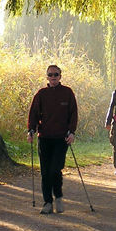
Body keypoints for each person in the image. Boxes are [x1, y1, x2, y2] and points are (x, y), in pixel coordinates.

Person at [27, 65, 78, 214]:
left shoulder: (67, 93)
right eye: (50, 75)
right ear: (47, 77)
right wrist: (31, 129)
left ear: (60, 76)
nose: (53, 77)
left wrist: (72, 132)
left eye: (56, 74)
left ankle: (59, 197)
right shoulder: (41, 94)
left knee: (55, 169)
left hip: (61, 138)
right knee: (45, 171)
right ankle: (47, 202)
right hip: (44, 138)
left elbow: (73, 114)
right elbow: (34, 114)